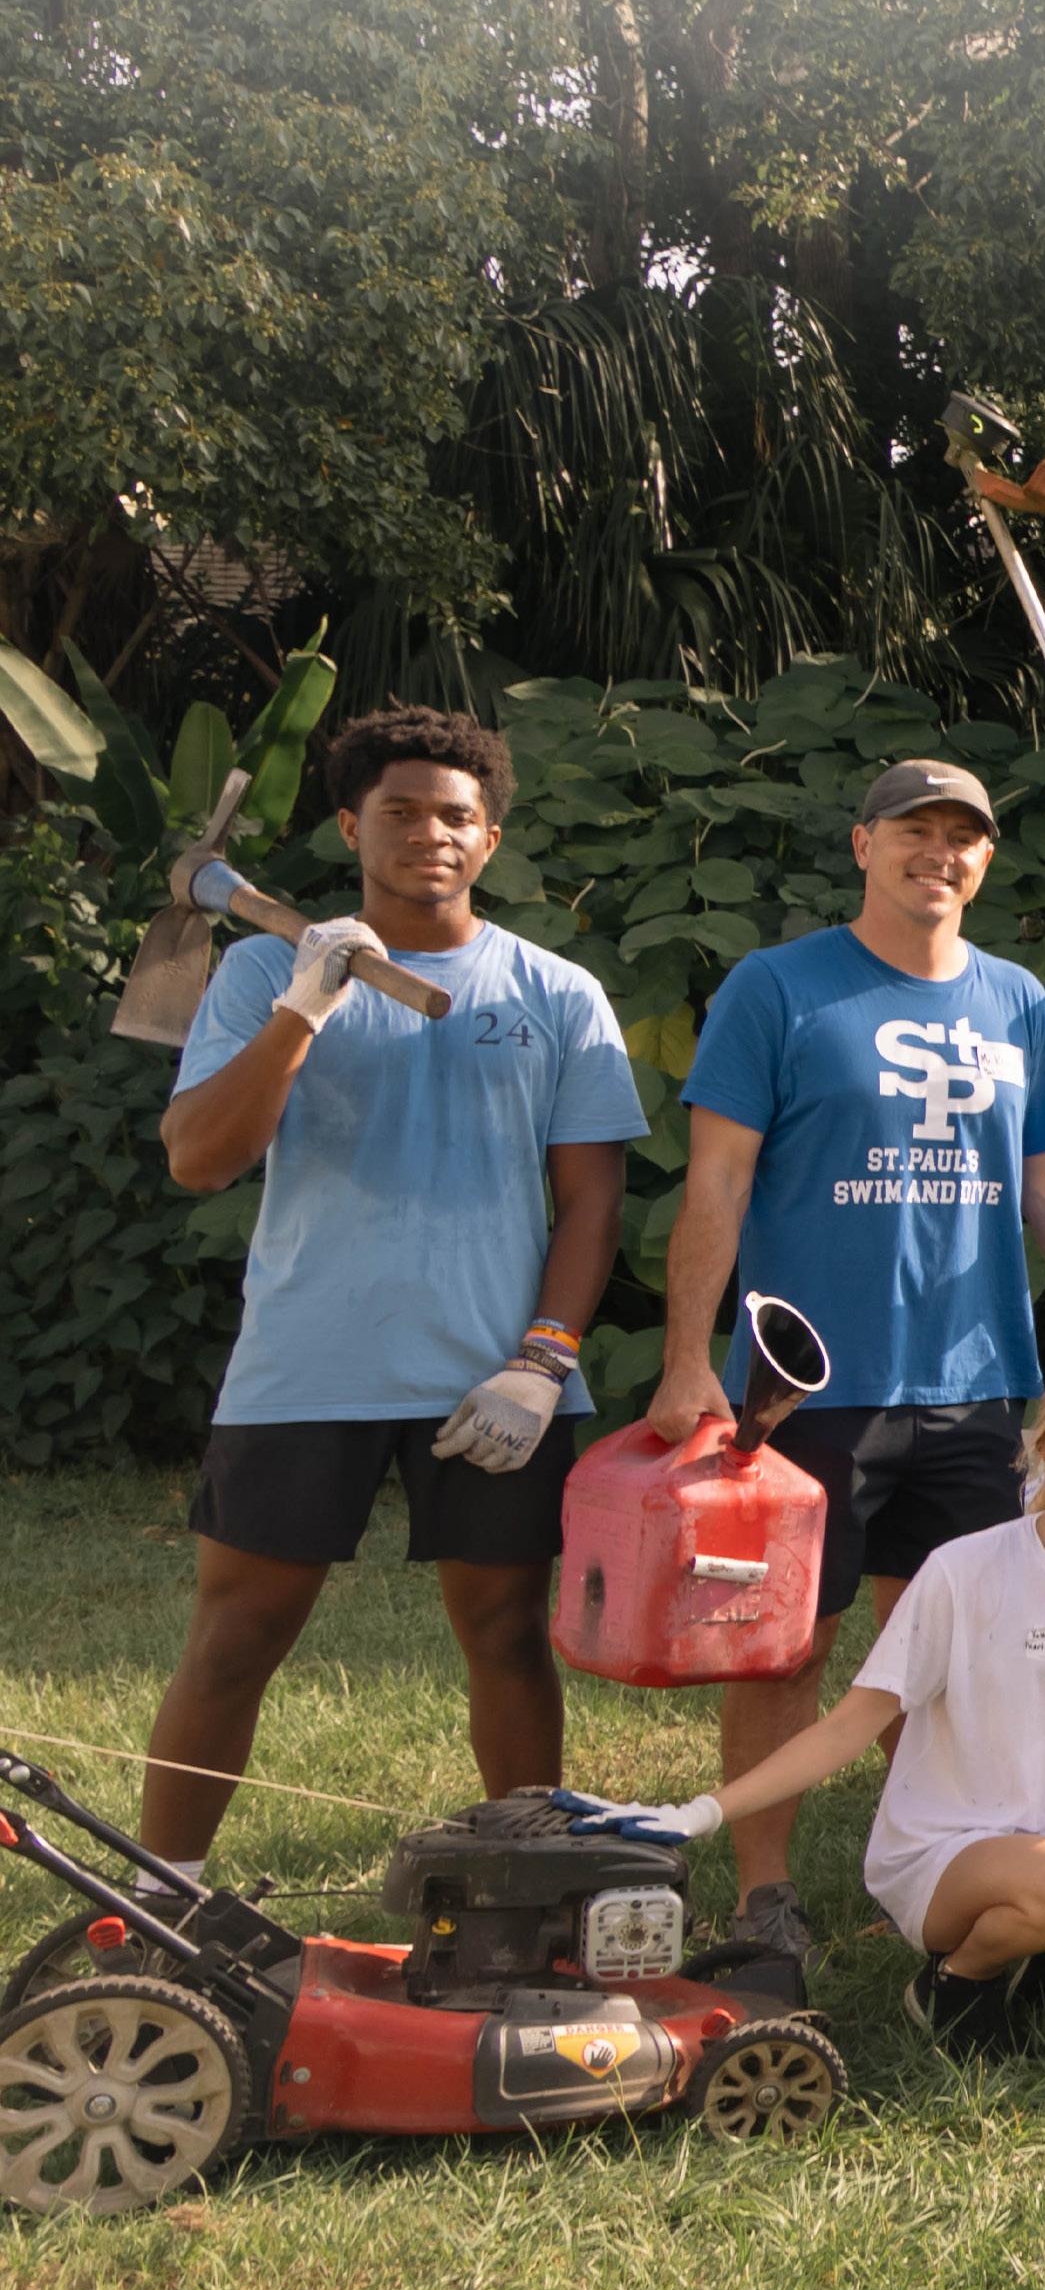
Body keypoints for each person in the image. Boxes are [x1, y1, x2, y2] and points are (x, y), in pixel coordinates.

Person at [141, 705, 647, 1877]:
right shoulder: (262, 969)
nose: (431, 834)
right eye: (401, 811)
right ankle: (162, 1899)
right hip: (306, 1366)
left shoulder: (556, 991)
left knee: (507, 1635)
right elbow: (200, 1159)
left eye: (455, 816)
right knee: (235, 1637)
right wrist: (301, 1011)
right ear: (348, 827)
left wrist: (544, 1360)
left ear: (491, 839)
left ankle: (527, 1889)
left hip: (493, 1375)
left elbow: (591, 1204)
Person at [650, 755, 1045, 1962]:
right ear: (863, 846)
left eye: (962, 835)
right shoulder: (777, 988)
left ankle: (938, 1865)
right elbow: (717, 1182)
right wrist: (687, 1360)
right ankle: (765, 1891)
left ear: (985, 860)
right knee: (785, 1645)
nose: (938, 853)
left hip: (977, 1384)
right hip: (808, 1387)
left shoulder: (1016, 999)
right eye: (913, 830)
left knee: (955, 1650)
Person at [557, 1346, 1045, 2057]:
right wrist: (701, 1811)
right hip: (954, 1854)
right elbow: (850, 1726)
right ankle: (960, 1979)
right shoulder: (965, 1569)